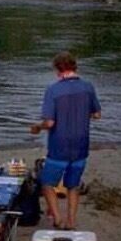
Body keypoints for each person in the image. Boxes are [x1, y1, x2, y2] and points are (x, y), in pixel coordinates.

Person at [30, 50, 101, 230]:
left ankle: (58, 219)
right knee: (73, 185)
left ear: (57, 69)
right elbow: (97, 114)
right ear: (75, 66)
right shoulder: (88, 87)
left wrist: (37, 127)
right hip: (81, 145)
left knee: (47, 183)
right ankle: (71, 221)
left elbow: (50, 122)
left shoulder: (53, 90)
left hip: (59, 146)